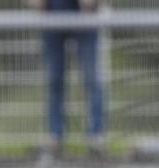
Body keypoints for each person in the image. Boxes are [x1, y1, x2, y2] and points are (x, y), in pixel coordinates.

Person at [29, 0, 106, 156]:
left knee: (92, 79)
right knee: (54, 80)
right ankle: (55, 136)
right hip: (52, 14)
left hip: (85, 16)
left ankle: (96, 137)